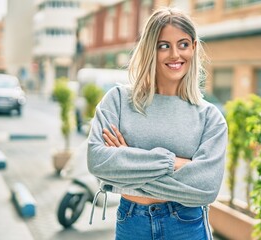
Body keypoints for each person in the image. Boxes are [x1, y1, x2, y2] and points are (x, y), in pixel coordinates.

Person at [87, 7, 227, 240]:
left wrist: (127, 161)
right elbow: (98, 162)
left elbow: (206, 187)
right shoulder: (119, 100)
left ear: (193, 47)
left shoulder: (210, 117)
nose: (175, 54)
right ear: (150, 48)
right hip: (132, 223)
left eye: (183, 44)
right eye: (164, 45)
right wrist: (176, 163)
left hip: (186, 225)